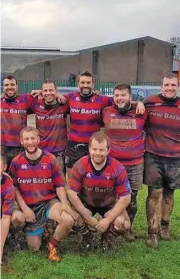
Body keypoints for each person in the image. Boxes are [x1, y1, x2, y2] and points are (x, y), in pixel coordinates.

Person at [58, 71, 144, 179]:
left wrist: (139, 103)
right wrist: (40, 91)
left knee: (92, 180)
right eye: (82, 82)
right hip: (73, 146)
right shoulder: (70, 98)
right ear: (78, 84)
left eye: (88, 83)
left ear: (93, 84)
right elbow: (52, 97)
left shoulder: (102, 100)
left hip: (94, 147)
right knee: (72, 181)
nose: (85, 85)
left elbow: (121, 101)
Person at [9, 127, 76, 262]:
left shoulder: (50, 159)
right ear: (21, 142)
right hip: (28, 205)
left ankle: (53, 242)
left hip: (48, 202)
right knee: (34, 248)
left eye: (33, 138)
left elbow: (59, 185)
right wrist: (25, 209)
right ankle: (43, 229)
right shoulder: (16, 162)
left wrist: (64, 204)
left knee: (68, 220)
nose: (30, 142)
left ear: (38, 139)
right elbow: (14, 187)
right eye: (26, 139)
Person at [143, 73, 180, 248]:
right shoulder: (149, 103)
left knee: (169, 194)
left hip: (175, 157)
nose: (170, 88)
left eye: (173, 85)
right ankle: (152, 231)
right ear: (161, 86)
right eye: (167, 85)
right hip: (153, 155)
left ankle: (165, 227)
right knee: (154, 193)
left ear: (178, 86)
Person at [67, 132, 132, 251]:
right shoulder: (80, 164)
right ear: (89, 149)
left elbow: (126, 197)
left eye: (102, 150)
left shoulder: (117, 167)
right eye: (94, 149)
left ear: (108, 150)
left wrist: (108, 219)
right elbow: (71, 193)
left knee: (124, 224)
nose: (97, 153)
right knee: (72, 219)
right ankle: (87, 236)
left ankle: (107, 235)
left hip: (108, 203)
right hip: (86, 201)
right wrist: (87, 216)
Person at [101, 83, 147, 240]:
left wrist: (138, 104)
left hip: (135, 164)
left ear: (130, 97)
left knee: (131, 199)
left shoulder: (141, 112)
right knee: (111, 196)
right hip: (112, 164)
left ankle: (128, 228)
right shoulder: (106, 111)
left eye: (123, 95)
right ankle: (111, 224)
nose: (120, 98)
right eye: (117, 95)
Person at [31, 80, 69, 173]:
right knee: (42, 181)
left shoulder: (64, 104)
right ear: (42, 92)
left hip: (59, 152)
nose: (48, 93)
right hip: (41, 151)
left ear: (56, 91)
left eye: (51, 90)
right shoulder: (36, 104)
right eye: (45, 90)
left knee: (59, 182)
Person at [1, 75, 34, 169]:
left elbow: (46, 98)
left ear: (17, 87)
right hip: (2, 148)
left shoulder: (26, 99)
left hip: (20, 147)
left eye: (12, 84)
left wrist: (39, 91)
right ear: (3, 87)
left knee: (20, 176)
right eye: (6, 85)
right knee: (2, 178)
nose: (10, 87)